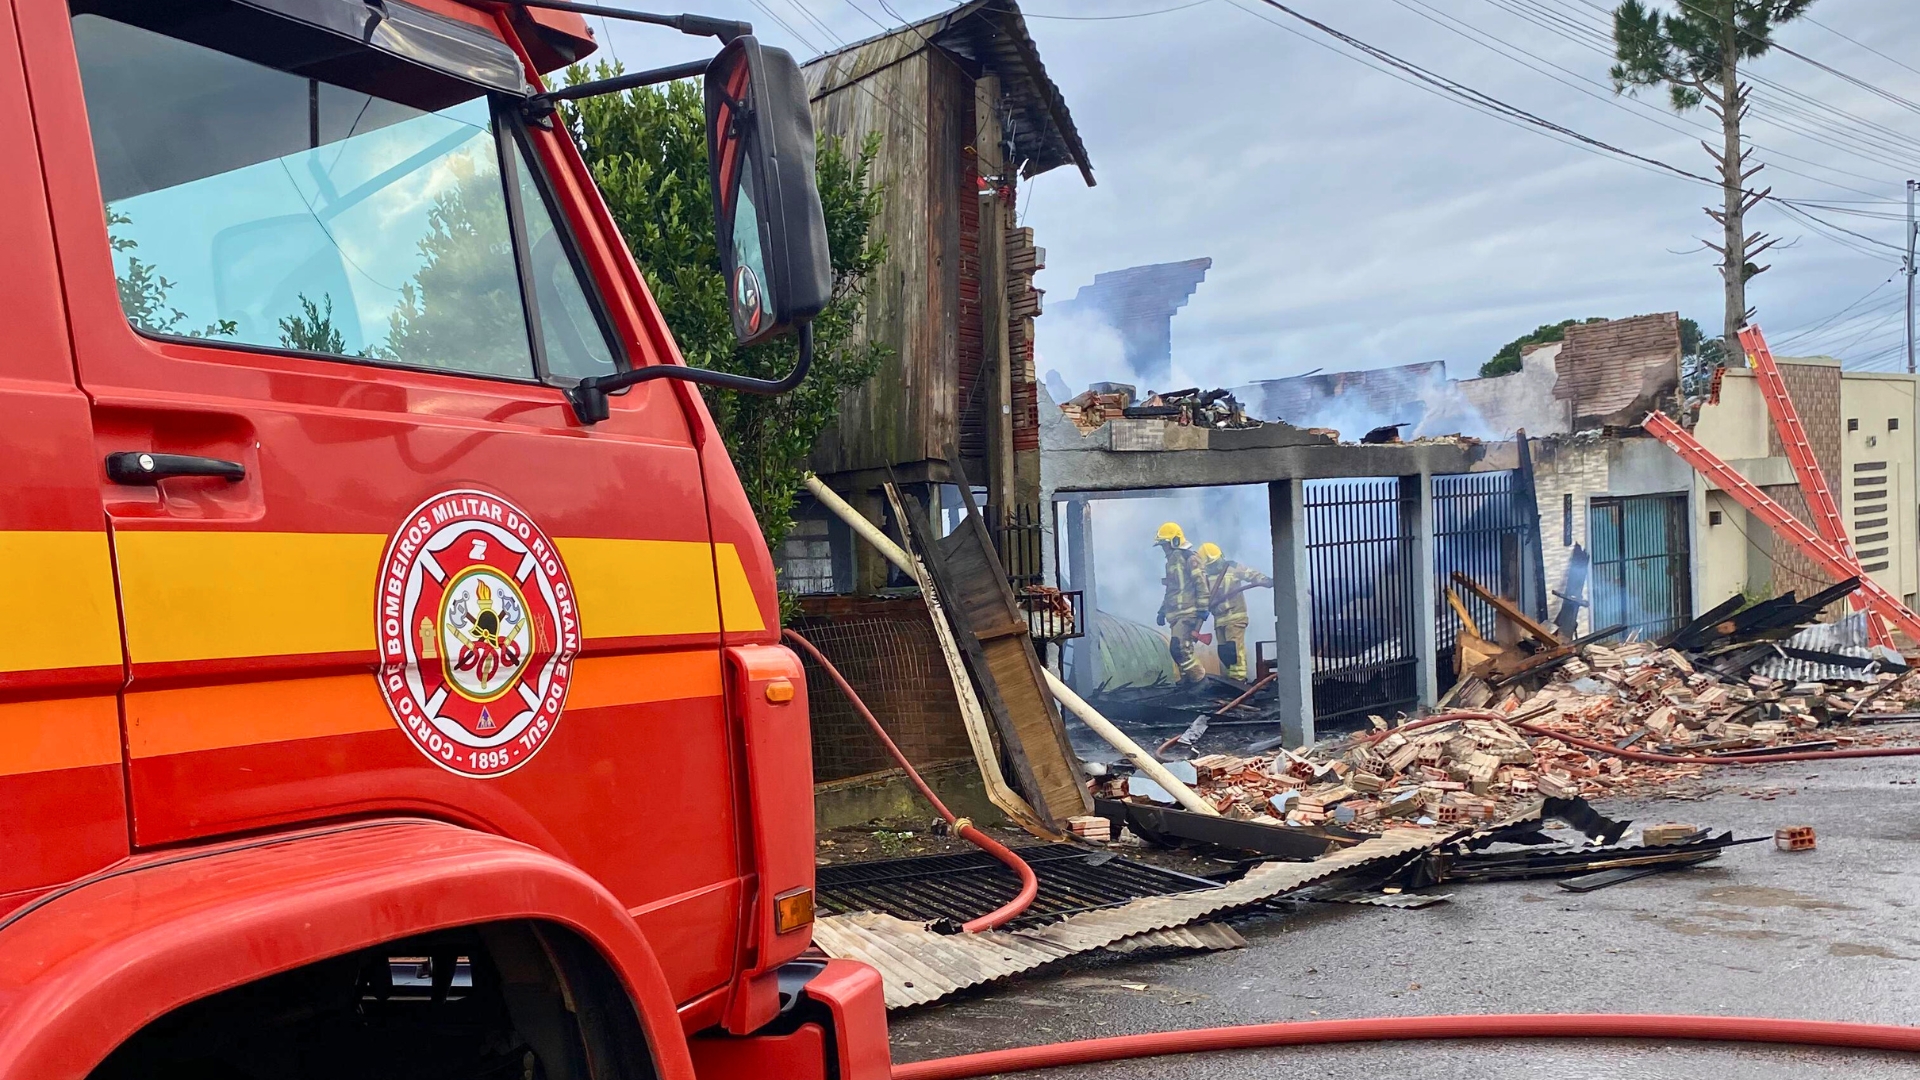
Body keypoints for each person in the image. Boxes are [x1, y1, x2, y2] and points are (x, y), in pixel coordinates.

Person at [1198, 541, 1274, 682]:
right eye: (1211, 564)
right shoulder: (1205, 576)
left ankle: (1239, 679)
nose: (1215, 566)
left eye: (1216, 562)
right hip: (1219, 620)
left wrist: (1265, 580)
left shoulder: (1232, 568)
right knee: (1224, 652)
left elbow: (1250, 574)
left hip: (1235, 617)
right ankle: (1231, 678)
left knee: (1234, 650)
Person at [1154, 522, 1207, 686]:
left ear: (1174, 541)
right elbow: (1172, 589)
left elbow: (1201, 585)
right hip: (1175, 614)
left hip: (1187, 612)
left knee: (1179, 649)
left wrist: (1203, 609)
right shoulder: (1170, 563)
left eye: (1165, 544)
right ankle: (1187, 682)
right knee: (1180, 650)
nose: (1164, 549)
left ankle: (1200, 681)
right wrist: (1162, 611)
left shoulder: (1190, 558)